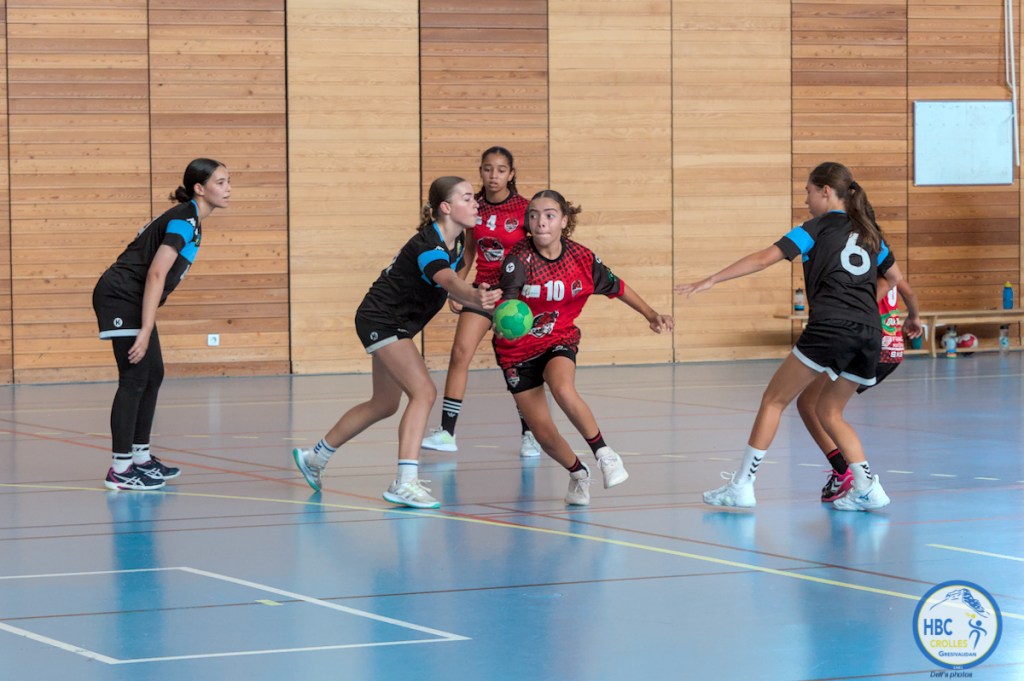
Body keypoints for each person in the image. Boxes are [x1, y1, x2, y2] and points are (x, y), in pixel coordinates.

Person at [675, 161, 901, 511]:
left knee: (773, 400)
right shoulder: (871, 233)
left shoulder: (814, 228)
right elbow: (895, 278)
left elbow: (763, 259)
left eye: (808, 192)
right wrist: (861, 304)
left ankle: (742, 486)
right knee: (830, 412)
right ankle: (869, 488)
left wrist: (711, 280)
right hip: (870, 331)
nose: (806, 200)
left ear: (826, 191)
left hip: (830, 327)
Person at [292, 176, 502, 509]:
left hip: (395, 324)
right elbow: (448, 280)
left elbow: (453, 285)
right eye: (466, 198)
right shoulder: (428, 246)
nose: (475, 202)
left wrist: (482, 302)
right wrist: (472, 295)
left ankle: (314, 458)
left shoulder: (458, 241)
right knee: (424, 392)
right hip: (382, 320)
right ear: (446, 208)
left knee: (384, 404)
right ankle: (405, 482)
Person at [494, 189, 673, 506]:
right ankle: (578, 473)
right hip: (516, 352)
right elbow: (507, 303)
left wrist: (651, 314)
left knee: (562, 388)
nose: (540, 222)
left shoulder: (581, 259)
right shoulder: (518, 260)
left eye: (549, 215)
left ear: (564, 221)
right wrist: (499, 316)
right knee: (543, 433)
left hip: (558, 339)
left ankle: (605, 454)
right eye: (533, 215)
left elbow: (618, 287)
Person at [93, 158, 231, 490]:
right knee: (134, 378)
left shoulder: (188, 217)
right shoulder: (185, 219)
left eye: (228, 181)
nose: (228, 189)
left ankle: (140, 457)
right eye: (221, 182)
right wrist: (145, 329)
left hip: (133, 298)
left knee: (153, 374)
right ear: (199, 188)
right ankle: (120, 468)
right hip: (121, 296)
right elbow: (156, 273)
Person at [421, 147, 545, 457]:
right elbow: (469, 252)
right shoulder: (473, 207)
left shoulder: (525, 209)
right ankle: (447, 433)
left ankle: (530, 433)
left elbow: (540, 250)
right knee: (460, 352)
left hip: (515, 296)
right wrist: (458, 288)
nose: (493, 175)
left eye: (501, 170)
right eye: (488, 169)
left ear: (511, 174)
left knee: (517, 365)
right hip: (482, 291)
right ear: (480, 171)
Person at [803, 271, 922, 501]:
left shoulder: (865, 271)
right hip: (893, 350)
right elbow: (909, 292)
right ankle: (845, 472)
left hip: (868, 346)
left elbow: (862, 304)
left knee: (822, 410)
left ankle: (854, 477)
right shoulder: (890, 271)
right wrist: (914, 317)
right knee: (814, 404)